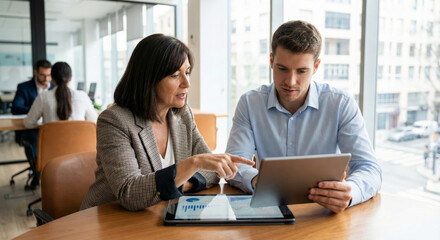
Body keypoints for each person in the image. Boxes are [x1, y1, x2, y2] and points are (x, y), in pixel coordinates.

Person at [81, 34, 254, 211]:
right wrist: (192, 165)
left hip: (159, 215)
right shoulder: (115, 121)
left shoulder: (182, 115)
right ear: (148, 78)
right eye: (175, 75)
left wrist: (177, 182)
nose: (186, 83)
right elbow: (130, 193)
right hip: (109, 221)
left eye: (187, 72)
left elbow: (212, 174)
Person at [226, 20, 382, 213]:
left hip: (321, 214)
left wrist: (352, 192)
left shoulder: (340, 104)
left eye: (301, 71)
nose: (290, 81)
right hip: (270, 213)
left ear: (316, 66)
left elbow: (369, 168)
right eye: (282, 68)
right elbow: (234, 165)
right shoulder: (250, 104)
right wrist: (257, 180)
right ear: (271, 61)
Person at [11, 59, 53, 188]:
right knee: (34, 139)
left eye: (49, 75)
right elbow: (16, 108)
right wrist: (37, 109)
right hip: (31, 128)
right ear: (35, 72)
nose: (46, 79)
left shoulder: (55, 87)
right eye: (42, 75)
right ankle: (37, 172)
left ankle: (53, 172)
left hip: (51, 128)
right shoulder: (24, 87)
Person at [24, 61, 97, 128]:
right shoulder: (82, 96)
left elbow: (28, 123)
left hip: (51, 142)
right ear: (70, 79)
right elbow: (94, 121)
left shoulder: (43, 97)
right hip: (80, 142)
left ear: (52, 79)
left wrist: (45, 126)